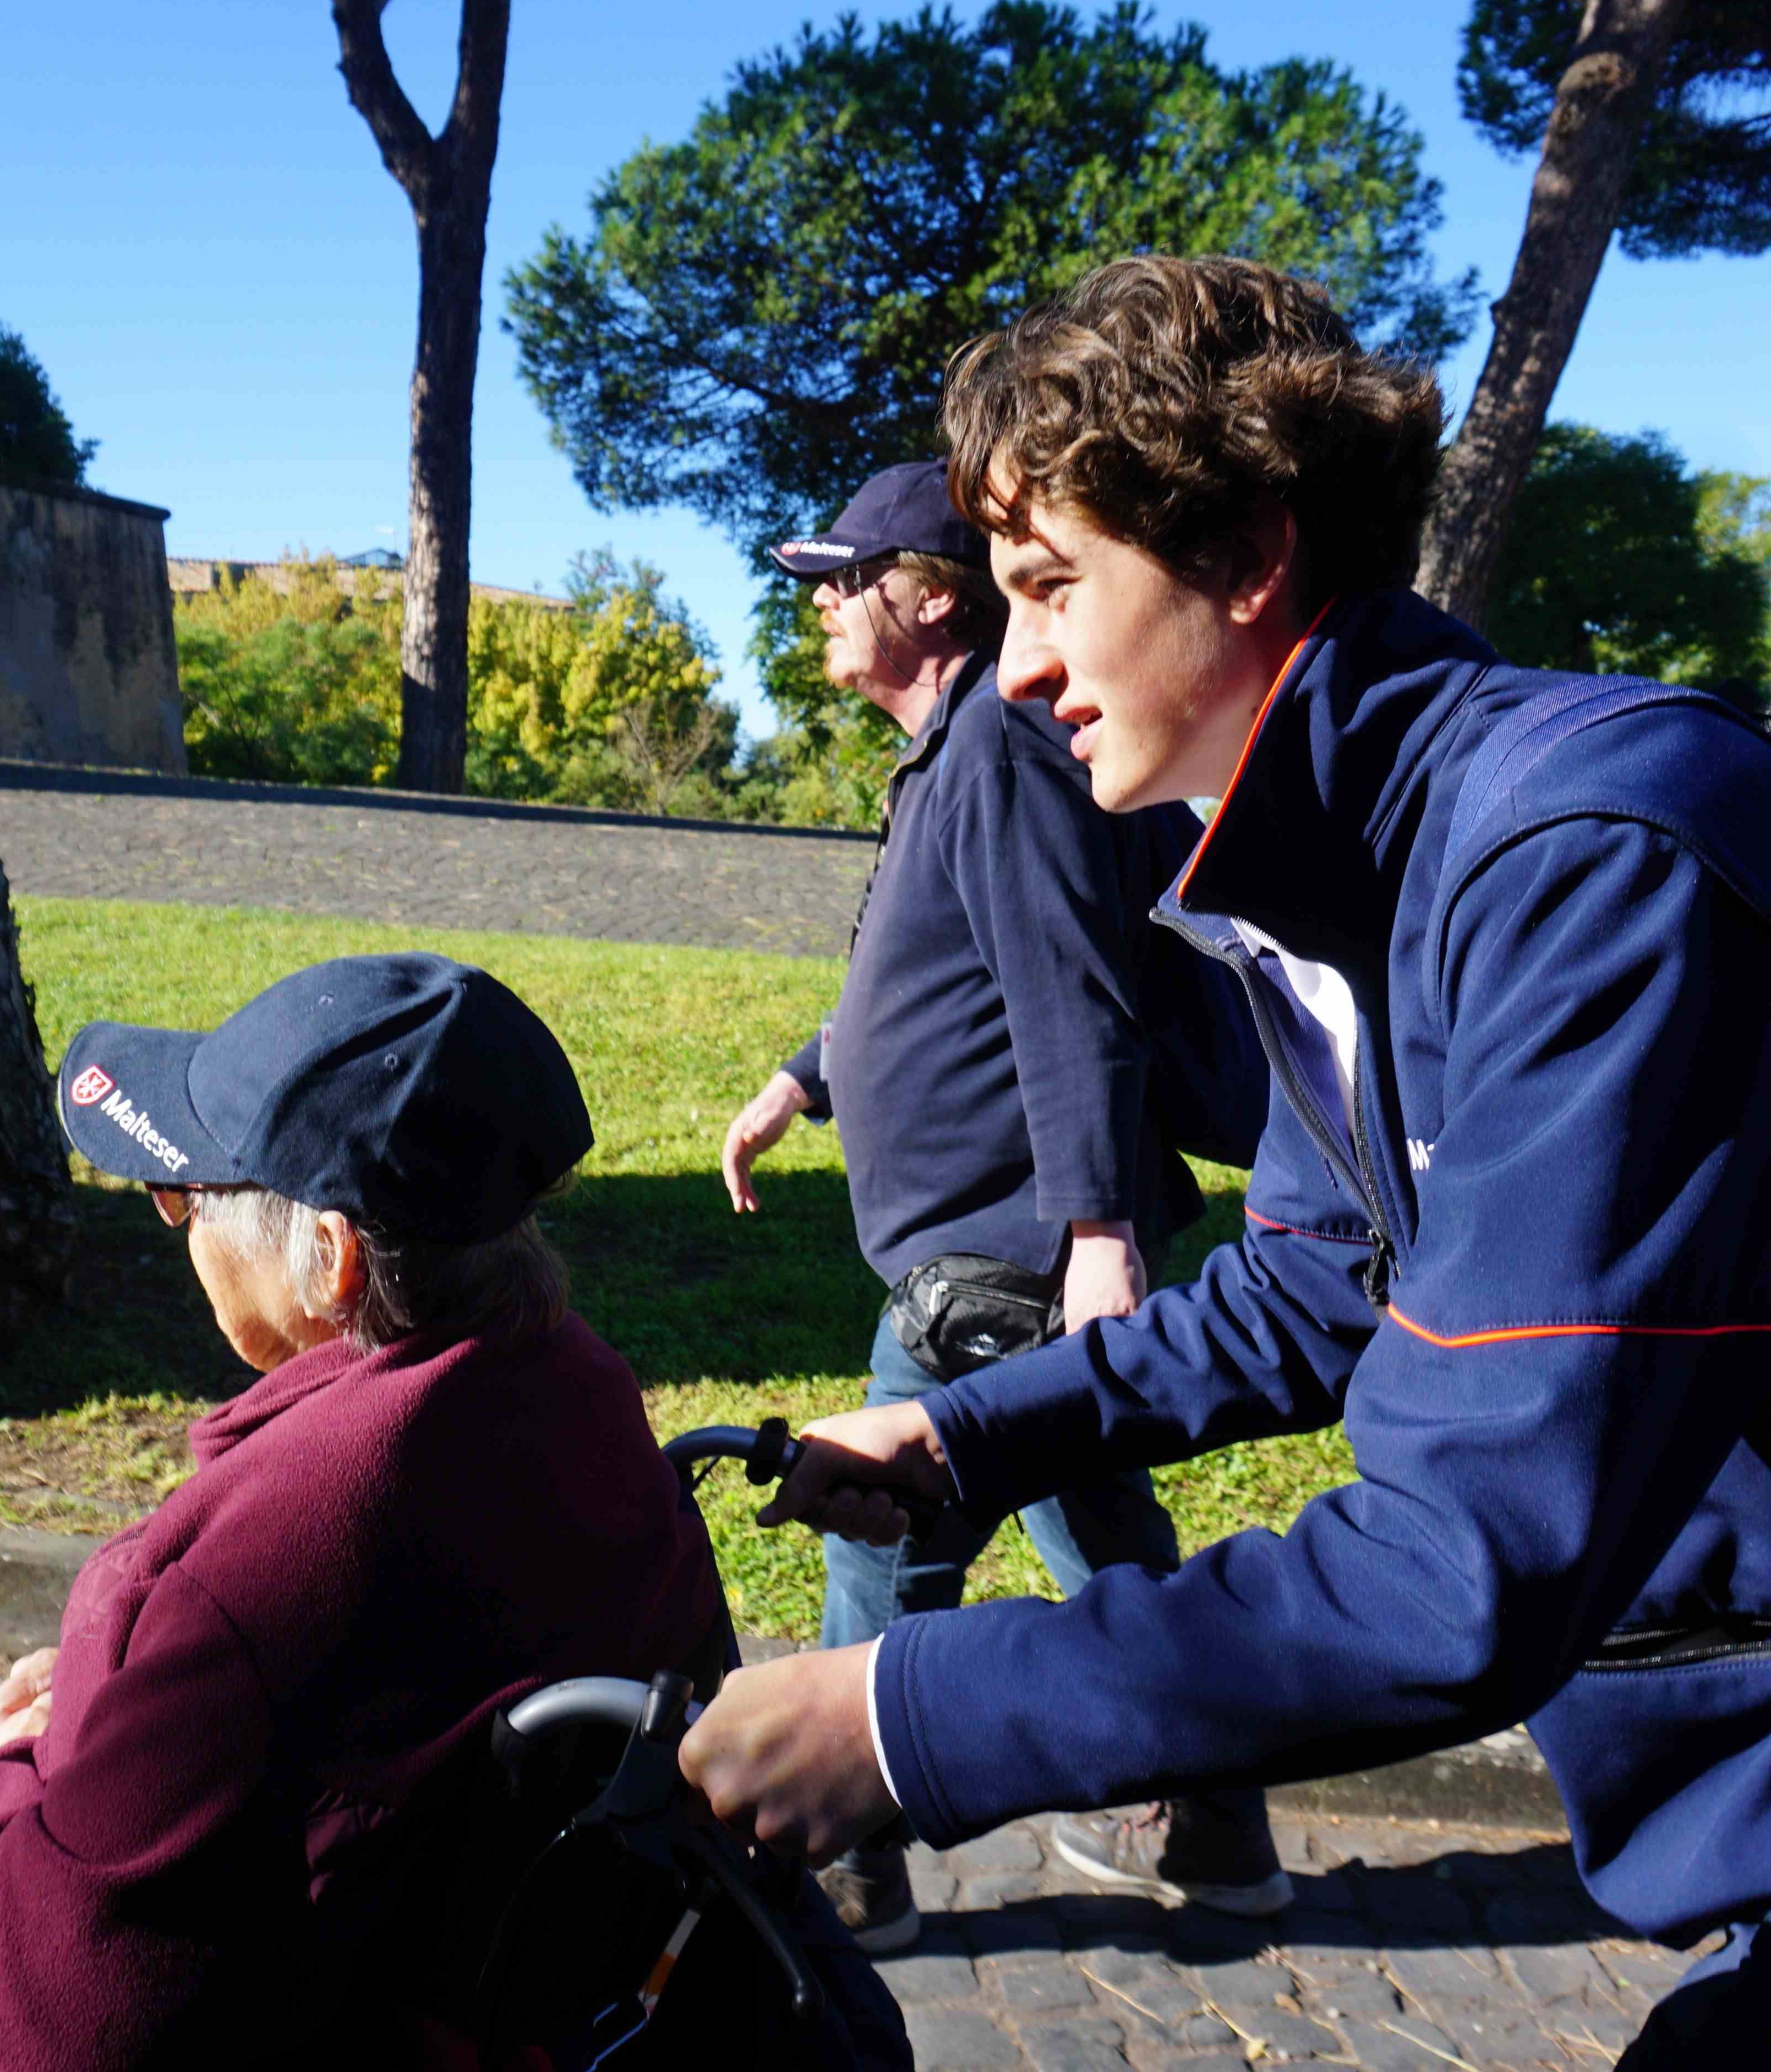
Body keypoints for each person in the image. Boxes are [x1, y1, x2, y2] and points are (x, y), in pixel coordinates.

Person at [678, 256, 1771, 2065]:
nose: (1017, 666)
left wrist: (898, 1720)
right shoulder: (1341, 875)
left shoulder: (1589, 860)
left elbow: (1458, 1564)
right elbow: (1309, 1289)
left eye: (1049, 590)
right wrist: (961, 1439)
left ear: (1251, 558)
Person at [0, 955, 725, 2071]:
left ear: (328, 1257)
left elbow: (59, 2017)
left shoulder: (256, 1566)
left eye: (184, 1197)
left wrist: (4, 1766)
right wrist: (131, 1714)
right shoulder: (582, 1397)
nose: (173, 1219)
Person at [719, 460, 1276, 1945]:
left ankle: (846, 1858)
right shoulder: (959, 747)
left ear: (927, 593)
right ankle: (1215, 1824)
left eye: (843, 578)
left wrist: (1096, 1229)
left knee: (880, 1528)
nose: (823, 606)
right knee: (1102, 1550)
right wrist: (802, 1081)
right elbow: (943, 978)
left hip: (1008, 1250)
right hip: (1017, 1239)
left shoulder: (1007, 751)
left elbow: (1072, 992)